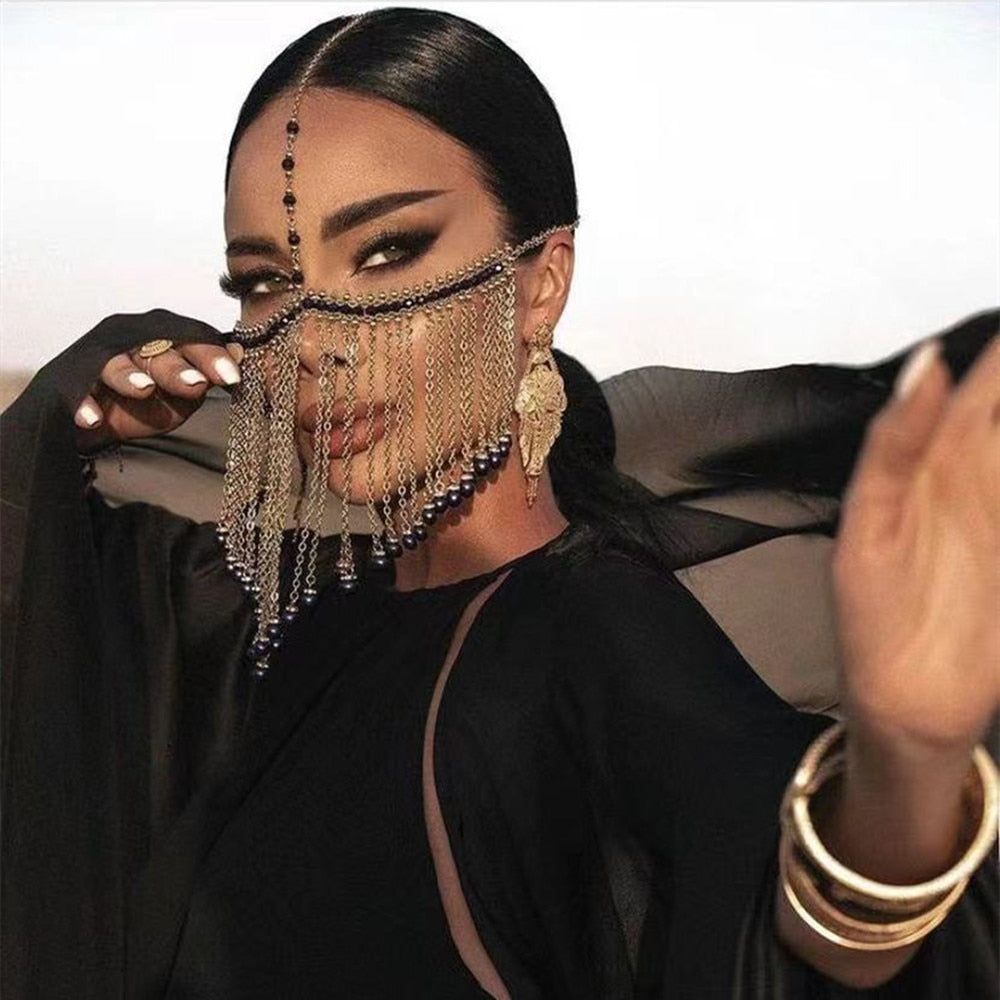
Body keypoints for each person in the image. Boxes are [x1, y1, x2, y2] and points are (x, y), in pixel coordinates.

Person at [2, 7, 997, 998]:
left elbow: (770, 886)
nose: (311, 342)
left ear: (541, 284)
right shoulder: (294, 615)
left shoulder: (591, 631)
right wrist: (61, 431)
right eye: (265, 283)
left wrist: (905, 778)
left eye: (385, 251)